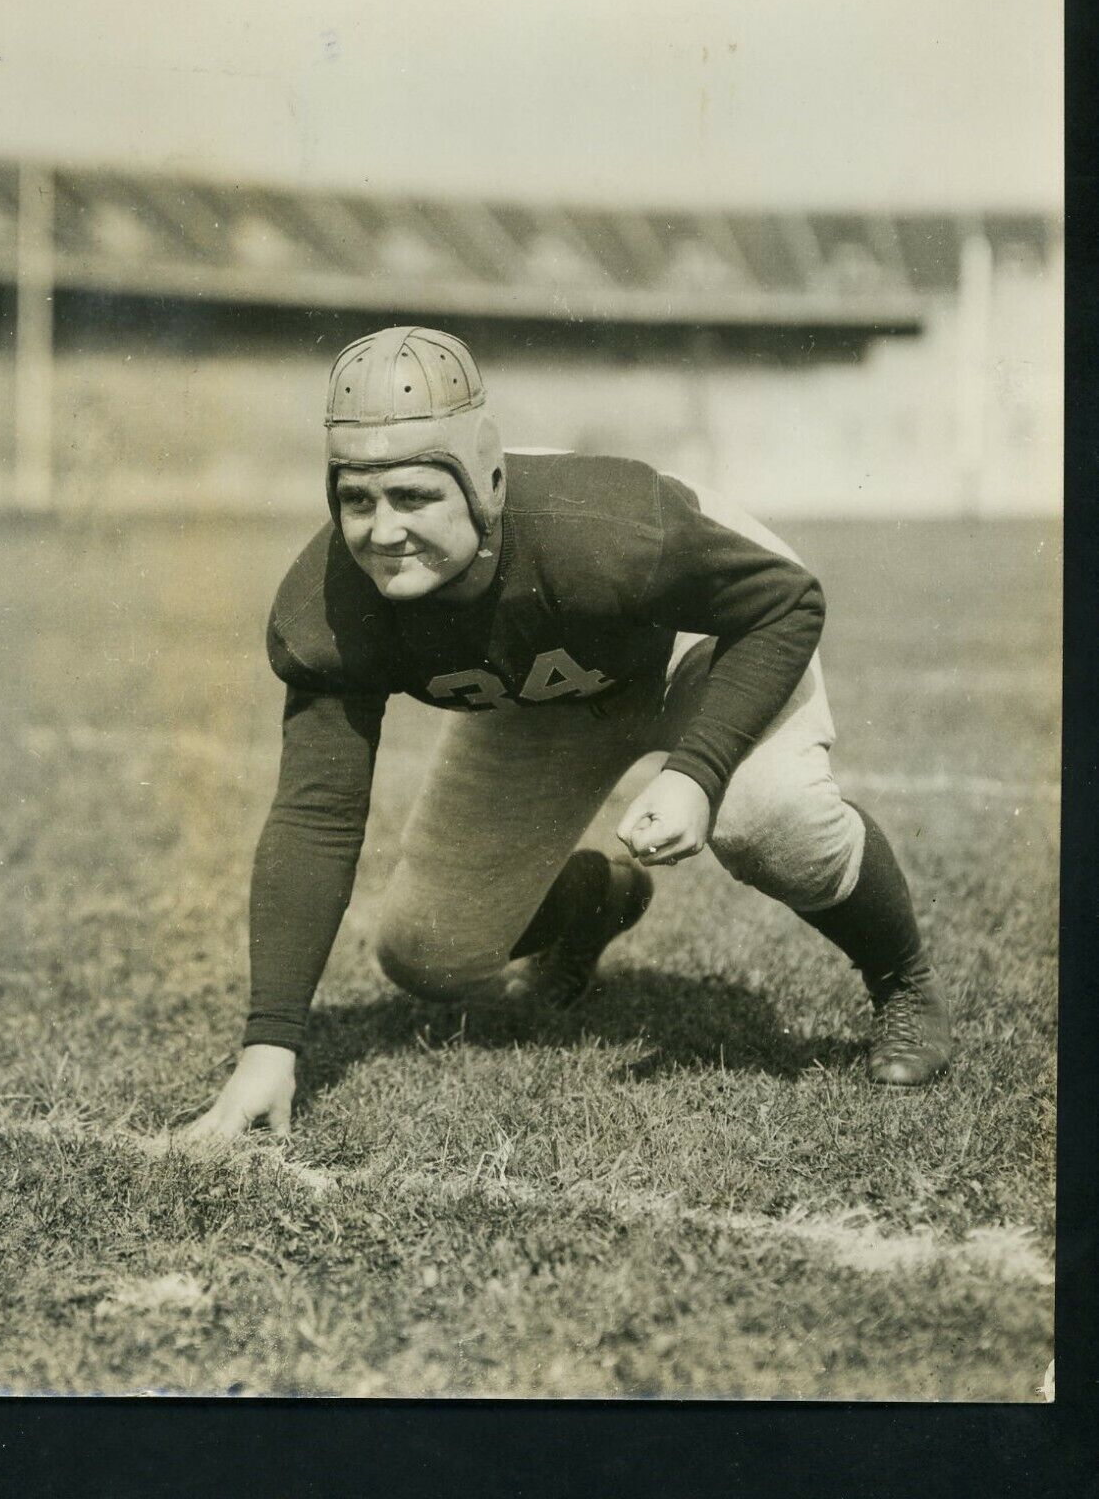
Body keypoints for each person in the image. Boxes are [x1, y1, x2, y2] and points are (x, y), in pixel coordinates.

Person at [184, 325, 951, 1142]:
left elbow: (785, 602)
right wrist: (271, 1043)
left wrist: (698, 768)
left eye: (413, 496)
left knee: (768, 817)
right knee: (426, 952)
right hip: (548, 688)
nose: (381, 531)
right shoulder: (328, 603)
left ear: (485, 481)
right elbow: (316, 813)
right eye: (356, 499)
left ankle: (902, 981)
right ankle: (597, 902)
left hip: (693, 645)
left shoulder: (603, 525)